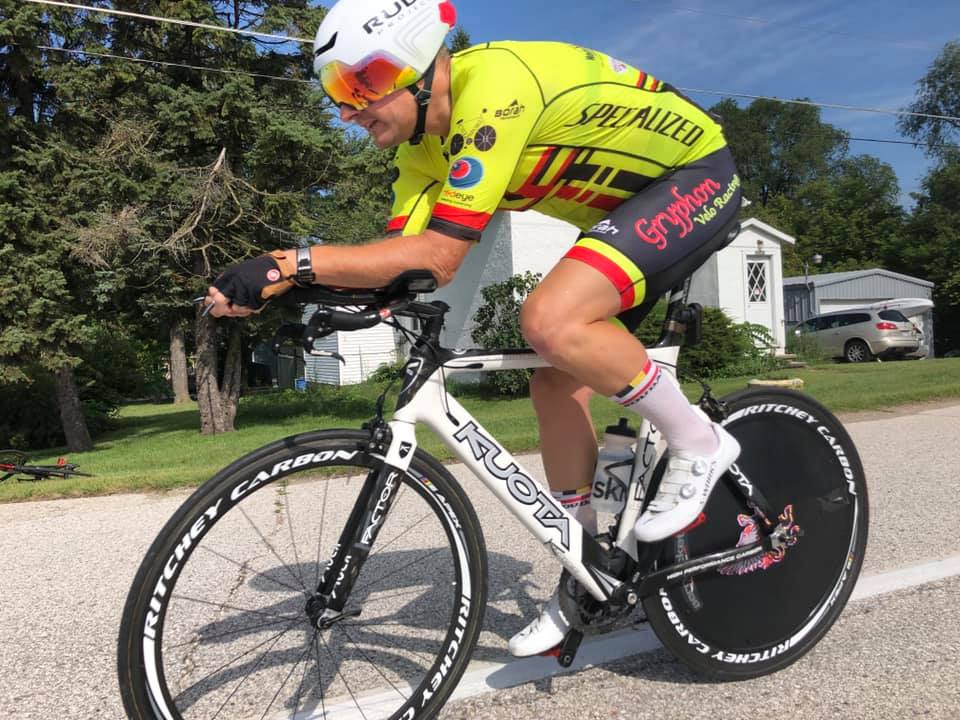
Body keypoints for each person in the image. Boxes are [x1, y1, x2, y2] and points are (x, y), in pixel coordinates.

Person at [203, 0, 742, 657]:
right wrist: (281, 288)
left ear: (416, 64)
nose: (347, 110)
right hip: (627, 211)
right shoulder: (421, 154)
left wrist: (291, 262)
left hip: (693, 177)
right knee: (554, 383)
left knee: (549, 319)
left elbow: (441, 256)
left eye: (361, 83)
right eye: (337, 92)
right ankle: (587, 569)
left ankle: (699, 441)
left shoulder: (493, 91)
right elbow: (401, 264)